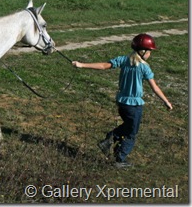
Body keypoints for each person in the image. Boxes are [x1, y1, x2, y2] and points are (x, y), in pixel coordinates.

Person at [72, 34, 173, 168]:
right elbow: (155, 88)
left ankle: (110, 140)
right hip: (134, 106)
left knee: (127, 126)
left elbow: (103, 66)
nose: (150, 54)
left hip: (121, 103)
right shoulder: (144, 67)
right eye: (149, 51)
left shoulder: (124, 60)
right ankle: (119, 158)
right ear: (142, 52)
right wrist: (166, 101)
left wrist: (81, 65)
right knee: (131, 133)